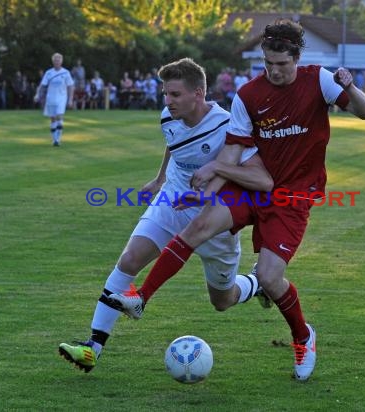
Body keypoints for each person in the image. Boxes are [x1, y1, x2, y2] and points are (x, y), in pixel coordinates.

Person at [109, 19, 365, 382]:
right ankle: (140, 298)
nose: (275, 71)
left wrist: (351, 87)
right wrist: (213, 178)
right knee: (199, 223)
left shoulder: (320, 80)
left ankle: (302, 336)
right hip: (251, 187)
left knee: (269, 275)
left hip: (291, 196)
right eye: (268, 64)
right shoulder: (248, 95)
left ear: (296, 58)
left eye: (282, 64)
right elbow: (234, 150)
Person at [58, 57, 274, 373]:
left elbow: (261, 179)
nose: (167, 101)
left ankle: (257, 283)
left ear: (198, 94)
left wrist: (215, 171)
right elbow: (173, 143)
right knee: (129, 260)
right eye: (165, 94)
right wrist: (160, 179)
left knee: (222, 300)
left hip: (214, 220)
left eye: (175, 95)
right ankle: (93, 347)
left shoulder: (227, 127)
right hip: (171, 201)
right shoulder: (168, 116)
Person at [34, 53, 74, 146]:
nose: (57, 61)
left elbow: (71, 86)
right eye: (55, 60)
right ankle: (54, 140)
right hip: (51, 98)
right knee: (53, 119)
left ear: (61, 61)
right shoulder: (48, 72)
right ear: (53, 61)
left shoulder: (66, 72)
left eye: (58, 60)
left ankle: (58, 139)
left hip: (62, 98)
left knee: (59, 116)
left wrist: (70, 99)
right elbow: (42, 85)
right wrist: (37, 94)